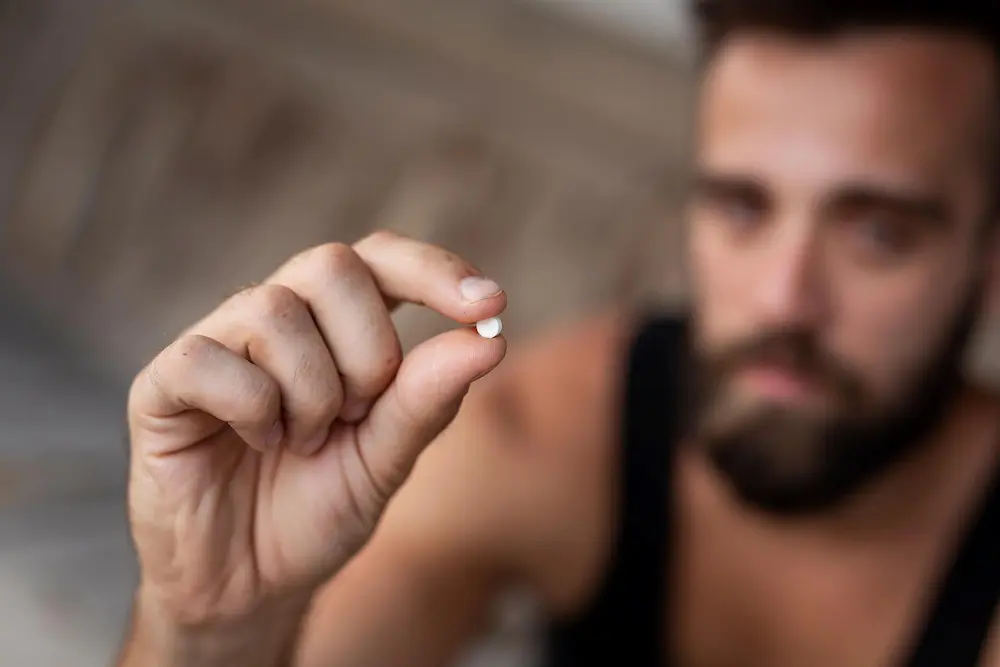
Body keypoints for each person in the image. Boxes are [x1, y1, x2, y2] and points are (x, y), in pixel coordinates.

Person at [116, 2, 1000, 666]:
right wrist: (208, 625)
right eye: (741, 207)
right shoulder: (537, 434)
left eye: (879, 233)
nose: (783, 299)